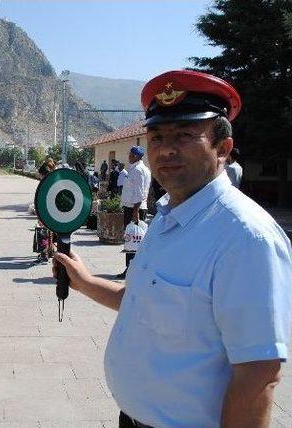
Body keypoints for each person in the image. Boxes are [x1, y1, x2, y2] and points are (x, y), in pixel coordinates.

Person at [53, 70, 292, 428]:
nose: (166, 149)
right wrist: (84, 281)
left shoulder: (245, 239)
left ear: (222, 149)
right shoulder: (167, 218)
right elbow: (140, 299)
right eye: (157, 136)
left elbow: (258, 375)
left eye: (184, 135)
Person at [117, 146, 151, 279]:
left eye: (130, 154)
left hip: (134, 209)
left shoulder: (138, 170)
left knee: (133, 239)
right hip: (134, 208)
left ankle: (131, 270)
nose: (128, 156)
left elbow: (139, 193)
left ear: (136, 156)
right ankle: (132, 269)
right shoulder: (138, 169)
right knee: (134, 239)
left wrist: (135, 212)